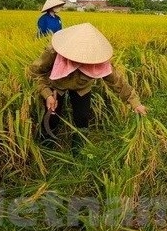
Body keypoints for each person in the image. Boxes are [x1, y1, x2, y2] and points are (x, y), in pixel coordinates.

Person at [27, 23, 148, 155]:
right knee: (52, 117)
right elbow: (36, 72)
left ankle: (78, 149)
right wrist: (47, 94)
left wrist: (135, 103)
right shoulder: (54, 52)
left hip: (82, 87)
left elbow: (117, 81)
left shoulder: (99, 60)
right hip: (57, 87)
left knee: (82, 117)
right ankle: (47, 147)